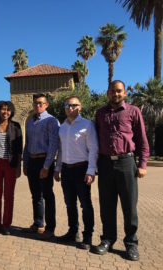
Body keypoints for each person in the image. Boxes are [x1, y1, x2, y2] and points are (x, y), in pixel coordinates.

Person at [92, 80, 149, 261]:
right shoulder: (100, 113)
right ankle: (107, 239)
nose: (115, 94)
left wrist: (143, 165)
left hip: (126, 163)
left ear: (124, 93)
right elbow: (95, 140)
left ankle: (131, 243)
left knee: (129, 206)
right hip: (105, 164)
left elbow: (142, 140)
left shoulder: (134, 111)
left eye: (118, 91)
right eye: (112, 91)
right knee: (106, 205)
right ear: (108, 93)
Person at [53, 96, 98, 249]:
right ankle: (73, 232)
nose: (70, 107)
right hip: (66, 170)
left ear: (80, 107)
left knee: (85, 204)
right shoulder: (62, 127)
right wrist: (57, 168)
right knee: (69, 204)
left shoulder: (87, 125)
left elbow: (93, 149)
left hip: (82, 169)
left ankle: (88, 237)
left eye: (73, 105)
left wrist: (91, 170)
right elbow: (61, 150)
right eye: (67, 105)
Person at [23, 93, 59, 240]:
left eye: (40, 103)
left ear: (46, 105)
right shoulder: (30, 122)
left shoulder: (52, 121)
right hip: (31, 161)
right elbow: (27, 144)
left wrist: (46, 166)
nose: (37, 105)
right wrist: (25, 163)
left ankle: (50, 228)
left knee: (47, 195)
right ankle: (38, 223)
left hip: (44, 161)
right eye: (35, 103)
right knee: (36, 195)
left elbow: (53, 145)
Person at [0, 101, 22, 235]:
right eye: (3, 109)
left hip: (10, 164)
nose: (5, 112)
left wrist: (18, 167)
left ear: (11, 112)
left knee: (9, 195)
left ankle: (6, 225)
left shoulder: (16, 127)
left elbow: (19, 149)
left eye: (8, 110)